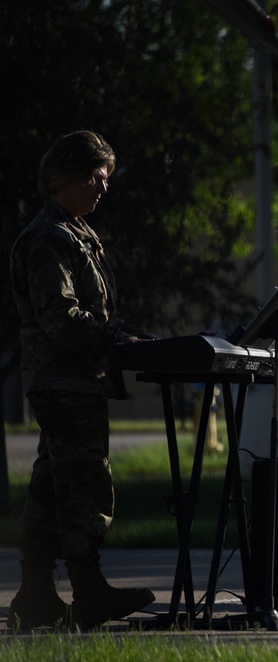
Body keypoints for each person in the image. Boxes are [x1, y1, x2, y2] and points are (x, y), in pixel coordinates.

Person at [8, 130, 155, 630]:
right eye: (95, 177)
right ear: (64, 178)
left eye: (106, 179)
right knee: (84, 485)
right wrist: (115, 343)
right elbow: (62, 318)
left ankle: (35, 596)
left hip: (75, 380)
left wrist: (130, 338)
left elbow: (94, 313)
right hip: (65, 381)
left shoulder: (74, 232)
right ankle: (88, 592)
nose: (102, 189)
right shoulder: (49, 238)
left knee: (51, 485)